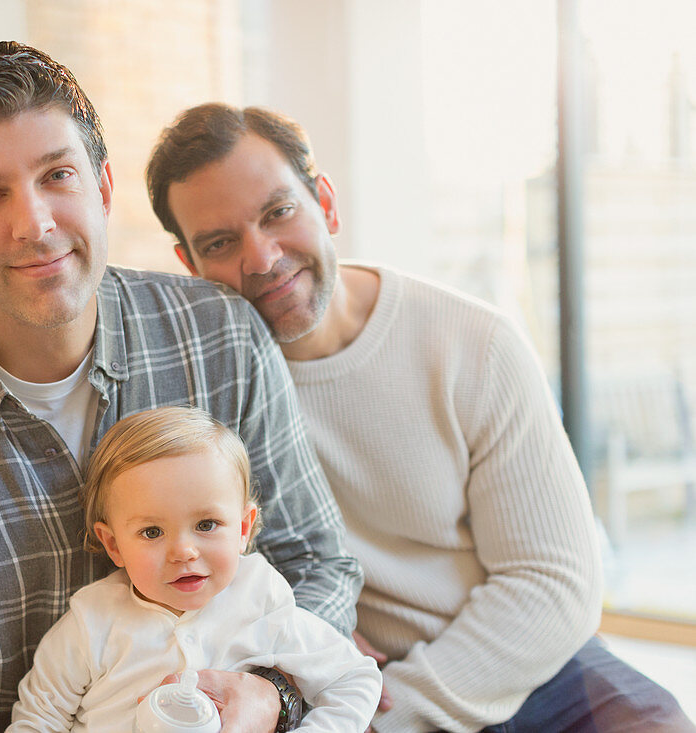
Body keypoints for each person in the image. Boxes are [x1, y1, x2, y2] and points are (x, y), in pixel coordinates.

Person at [0, 44, 362, 733]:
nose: (36, 224)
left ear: (102, 188)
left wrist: (274, 694)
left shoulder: (221, 334)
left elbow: (319, 562)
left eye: (58, 176)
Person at [145, 103, 696, 733]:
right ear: (189, 266)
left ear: (325, 203)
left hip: (523, 665)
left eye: (279, 212)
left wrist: (388, 712)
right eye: (220, 242)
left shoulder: (473, 344)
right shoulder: (202, 397)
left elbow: (555, 583)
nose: (263, 257)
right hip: (345, 679)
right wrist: (308, 657)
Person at [7, 406, 382, 731]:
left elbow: (353, 678)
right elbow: (38, 719)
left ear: (243, 529)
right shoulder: (92, 622)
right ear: (114, 545)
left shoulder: (259, 599)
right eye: (152, 532)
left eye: (206, 525)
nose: (184, 551)